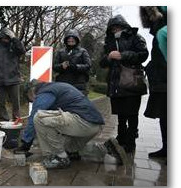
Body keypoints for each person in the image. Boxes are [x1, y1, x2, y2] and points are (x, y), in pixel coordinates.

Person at [15, 80, 128, 169]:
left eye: (31, 100)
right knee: (68, 147)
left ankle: (59, 158)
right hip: (92, 125)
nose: (33, 102)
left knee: (39, 118)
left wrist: (26, 143)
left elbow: (35, 114)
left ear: (31, 91)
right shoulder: (57, 87)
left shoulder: (45, 92)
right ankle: (105, 148)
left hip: (83, 122)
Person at [100, 15, 149, 153]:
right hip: (116, 83)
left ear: (124, 26)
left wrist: (123, 55)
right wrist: (109, 57)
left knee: (132, 114)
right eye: (113, 27)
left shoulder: (135, 36)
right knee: (120, 115)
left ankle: (130, 142)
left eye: (118, 26)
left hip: (132, 81)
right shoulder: (108, 41)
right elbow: (101, 62)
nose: (115, 29)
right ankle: (121, 138)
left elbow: (143, 54)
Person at [140, 6, 167, 158]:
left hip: (166, 78)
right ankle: (166, 148)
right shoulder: (158, 32)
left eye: (151, 14)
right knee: (164, 115)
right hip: (160, 79)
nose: (149, 18)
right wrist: (151, 67)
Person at [0, 27, 25, 121]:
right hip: (0, 79)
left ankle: (16, 121)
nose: (6, 40)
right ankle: (4, 121)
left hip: (14, 79)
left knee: (16, 103)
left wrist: (14, 38)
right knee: (2, 103)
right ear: (0, 37)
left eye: (8, 38)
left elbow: (22, 51)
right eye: (5, 38)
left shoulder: (14, 46)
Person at [53, 29, 91, 95]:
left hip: (78, 83)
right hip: (63, 83)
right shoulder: (60, 52)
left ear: (77, 40)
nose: (71, 40)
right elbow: (54, 66)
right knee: (63, 103)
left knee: (77, 103)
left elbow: (88, 65)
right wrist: (61, 66)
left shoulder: (82, 51)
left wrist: (76, 66)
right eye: (69, 39)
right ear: (66, 40)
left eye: (73, 39)